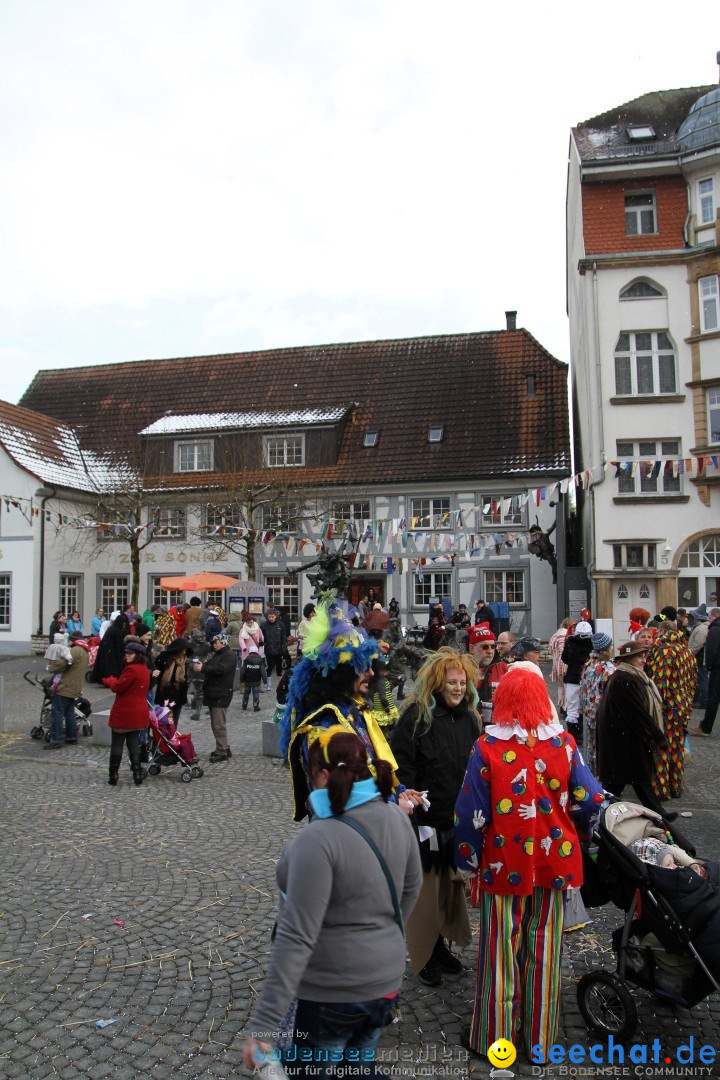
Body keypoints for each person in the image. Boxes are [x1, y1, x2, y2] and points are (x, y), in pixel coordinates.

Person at [242, 728, 423, 1075]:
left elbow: (295, 937)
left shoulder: (317, 840)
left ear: (322, 775)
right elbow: (411, 890)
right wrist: (382, 936)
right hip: (385, 983)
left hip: (330, 994)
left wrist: (264, 1028)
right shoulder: (397, 818)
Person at [454, 666, 604, 1062]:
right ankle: (540, 1042)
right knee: (545, 950)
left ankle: (495, 1039)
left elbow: (470, 812)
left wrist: (466, 861)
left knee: (500, 951)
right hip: (553, 863)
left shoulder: (487, 748)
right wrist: (579, 839)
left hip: (503, 864)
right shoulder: (566, 745)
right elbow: (590, 800)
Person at [280, 599, 425, 822]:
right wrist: (394, 806)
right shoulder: (322, 726)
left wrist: (398, 790)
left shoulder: (353, 711)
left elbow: (373, 761)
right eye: (361, 666)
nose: (371, 673)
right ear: (342, 673)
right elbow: (341, 796)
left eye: (370, 664)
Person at [391, 648, 480, 987]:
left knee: (447, 888)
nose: (457, 688)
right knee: (425, 893)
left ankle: (440, 946)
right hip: (425, 821)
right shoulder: (417, 716)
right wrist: (409, 805)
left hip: (455, 820)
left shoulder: (470, 718)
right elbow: (402, 769)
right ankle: (423, 955)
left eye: (462, 682)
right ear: (437, 682)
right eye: (451, 682)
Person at [596, 640, 671, 817]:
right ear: (628, 659)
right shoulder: (624, 679)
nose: (643, 659)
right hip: (623, 742)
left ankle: (658, 814)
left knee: (637, 781)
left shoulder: (631, 676)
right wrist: (656, 736)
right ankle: (597, 815)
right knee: (618, 783)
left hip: (625, 740)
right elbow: (637, 713)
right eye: (639, 656)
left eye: (643, 655)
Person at [645, 607, 697, 800]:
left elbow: (660, 684)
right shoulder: (687, 652)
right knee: (677, 747)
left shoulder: (663, 651)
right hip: (683, 705)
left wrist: (657, 706)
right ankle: (675, 785)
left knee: (662, 747)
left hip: (667, 708)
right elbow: (693, 681)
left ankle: (661, 789)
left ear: (661, 632)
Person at [103, 641, 151, 786]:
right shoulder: (144, 669)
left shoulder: (131, 670)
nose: (127, 655)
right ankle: (137, 773)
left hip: (126, 711)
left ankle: (113, 774)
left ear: (138, 655)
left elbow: (118, 687)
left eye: (130, 653)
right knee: (133, 742)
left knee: (117, 742)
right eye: (126, 653)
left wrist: (110, 681)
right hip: (138, 711)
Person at [192, 632, 237, 762]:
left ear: (223, 642)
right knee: (216, 723)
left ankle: (222, 751)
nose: (214, 645)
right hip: (215, 692)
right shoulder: (219, 654)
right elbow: (212, 666)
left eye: (216, 643)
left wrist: (203, 668)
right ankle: (224, 747)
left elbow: (220, 669)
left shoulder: (229, 656)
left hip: (221, 693)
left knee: (218, 724)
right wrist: (203, 666)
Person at [44, 631, 90, 748]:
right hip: (75, 687)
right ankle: (71, 737)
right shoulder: (85, 651)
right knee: (70, 712)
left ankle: (56, 739)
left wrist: (50, 668)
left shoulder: (74, 651)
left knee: (57, 713)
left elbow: (62, 664)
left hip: (65, 686)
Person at [578, 631, 615, 774]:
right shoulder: (609, 669)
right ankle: (605, 774)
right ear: (606, 649)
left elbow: (582, 689)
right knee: (604, 745)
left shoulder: (588, 665)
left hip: (589, 712)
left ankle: (592, 772)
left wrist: (583, 709)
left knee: (591, 744)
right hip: (603, 713)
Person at [690, 607, 720, 738]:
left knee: (713, 697)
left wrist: (709, 665)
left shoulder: (714, 629)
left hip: (717, 668)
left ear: (713, 616)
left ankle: (705, 727)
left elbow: (711, 649)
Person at [561, 621, 593, 734]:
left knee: (572, 707)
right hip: (588, 677)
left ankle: (574, 733)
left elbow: (564, 658)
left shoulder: (570, 641)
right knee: (587, 704)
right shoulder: (591, 643)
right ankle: (585, 730)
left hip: (572, 677)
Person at [152, 637, 193, 727]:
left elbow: (185, 678)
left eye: (185, 650)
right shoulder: (164, 658)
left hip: (179, 694)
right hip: (165, 693)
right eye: (182, 650)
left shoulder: (185, 661)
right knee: (163, 719)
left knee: (174, 721)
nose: (184, 652)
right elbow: (156, 671)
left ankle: (172, 737)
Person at [91, 613, 131, 682]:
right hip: (110, 650)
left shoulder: (113, 628)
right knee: (110, 666)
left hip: (107, 649)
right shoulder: (116, 630)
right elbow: (118, 643)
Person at [688, 605, 710, 709]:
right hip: (700, 657)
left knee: (702, 679)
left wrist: (690, 653)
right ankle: (701, 700)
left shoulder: (701, 628)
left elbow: (698, 644)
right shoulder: (702, 627)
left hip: (700, 658)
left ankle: (704, 701)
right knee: (701, 679)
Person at [261, 609, 288, 691]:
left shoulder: (280, 624)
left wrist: (283, 649)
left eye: (272, 617)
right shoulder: (264, 625)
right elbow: (261, 637)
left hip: (278, 649)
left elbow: (283, 637)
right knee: (269, 668)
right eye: (269, 617)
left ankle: (280, 685)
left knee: (279, 668)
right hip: (268, 650)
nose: (271, 618)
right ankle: (269, 686)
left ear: (276, 616)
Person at [548, 618, 572, 711]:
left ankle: (562, 704)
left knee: (561, 686)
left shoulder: (556, 635)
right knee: (567, 686)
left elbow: (551, 649)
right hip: (565, 664)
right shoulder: (567, 635)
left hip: (556, 665)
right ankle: (567, 706)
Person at [241, 643, 267, 711]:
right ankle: (256, 706)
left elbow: (243, 670)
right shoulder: (259, 660)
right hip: (256, 680)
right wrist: (265, 680)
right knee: (255, 693)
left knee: (246, 692)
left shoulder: (246, 660)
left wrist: (241, 679)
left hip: (248, 680)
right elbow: (263, 671)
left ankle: (244, 704)